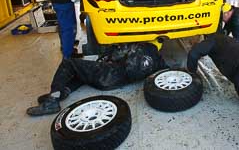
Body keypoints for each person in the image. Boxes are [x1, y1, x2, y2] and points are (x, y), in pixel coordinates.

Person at [27, 43, 167, 116]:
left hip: (107, 75)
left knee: (69, 63)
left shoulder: (132, 46)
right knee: (83, 71)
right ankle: (63, 91)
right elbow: (166, 69)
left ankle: (52, 100)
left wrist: (108, 56)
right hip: (116, 82)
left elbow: (115, 57)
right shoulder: (156, 57)